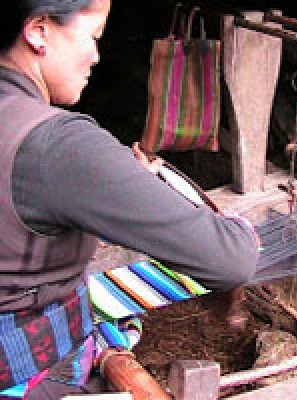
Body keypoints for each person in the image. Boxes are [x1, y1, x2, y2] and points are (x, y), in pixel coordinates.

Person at [0, 0, 259, 398]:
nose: (97, 55)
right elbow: (229, 258)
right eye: (94, 36)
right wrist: (237, 229)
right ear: (38, 31)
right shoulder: (60, 145)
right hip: (27, 379)